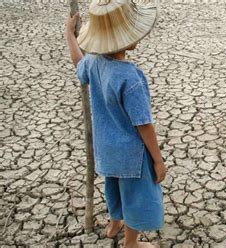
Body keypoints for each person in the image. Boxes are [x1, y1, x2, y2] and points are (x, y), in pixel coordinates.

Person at [65, 1, 166, 247]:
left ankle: (114, 224)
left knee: (113, 188)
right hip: (132, 154)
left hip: (106, 149)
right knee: (135, 197)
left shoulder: (93, 61)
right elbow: (144, 124)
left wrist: (69, 35)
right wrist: (157, 159)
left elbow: (79, 65)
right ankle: (131, 243)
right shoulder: (130, 77)